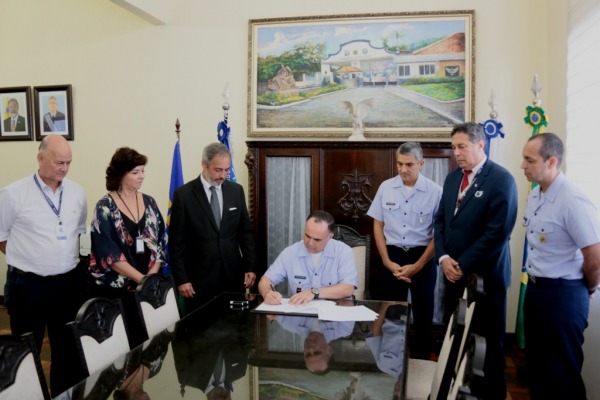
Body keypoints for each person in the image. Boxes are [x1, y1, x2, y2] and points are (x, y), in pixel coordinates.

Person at [433, 122, 518, 399]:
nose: (456, 153)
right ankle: (456, 391)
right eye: (453, 147)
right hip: (452, 276)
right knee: (456, 341)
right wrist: (444, 258)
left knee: (488, 346)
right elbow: (441, 221)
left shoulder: (501, 179)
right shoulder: (452, 178)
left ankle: (491, 395)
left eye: (462, 146)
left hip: (485, 281)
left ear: (480, 144)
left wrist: (461, 265)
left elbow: (496, 234)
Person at [0, 135, 87, 396]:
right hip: (28, 286)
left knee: (65, 351)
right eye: (59, 162)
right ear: (40, 158)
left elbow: (78, 231)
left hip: (66, 284)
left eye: (68, 163)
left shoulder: (77, 192)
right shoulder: (13, 194)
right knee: (26, 354)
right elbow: (1, 236)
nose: (64, 168)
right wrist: (29, 257)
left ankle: (62, 395)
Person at [521, 132, 600, 399]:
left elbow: (596, 257)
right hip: (536, 291)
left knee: (562, 374)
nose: (523, 166)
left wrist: (587, 287)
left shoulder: (573, 200)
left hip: (564, 295)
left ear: (551, 161)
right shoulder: (536, 195)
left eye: (529, 160)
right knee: (538, 369)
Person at [367, 141, 442, 359]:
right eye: (399, 164)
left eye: (409, 164)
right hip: (393, 256)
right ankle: (391, 357)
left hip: (423, 257)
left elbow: (439, 235)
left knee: (423, 312)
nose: (403, 170)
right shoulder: (386, 187)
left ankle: (421, 358)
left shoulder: (435, 191)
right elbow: (378, 226)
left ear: (421, 163)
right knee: (392, 311)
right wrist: (386, 261)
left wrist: (418, 266)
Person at [169, 142, 256, 313]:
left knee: (234, 330)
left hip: (232, 276)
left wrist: (250, 267)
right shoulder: (184, 195)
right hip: (199, 281)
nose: (223, 175)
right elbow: (176, 243)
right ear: (204, 164)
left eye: (226, 170)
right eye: (218, 170)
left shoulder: (236, 191)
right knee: (201, 332)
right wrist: (182, 279)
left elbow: (245, 234)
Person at [89, 147, 166, 298]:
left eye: (143, 171)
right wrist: (142, 280)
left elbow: (162, 241)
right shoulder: (105, 207)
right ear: (120, 175)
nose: (141, 176)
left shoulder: (150, 202)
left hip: (151, 285)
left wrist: (150, 278)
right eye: (135, 172)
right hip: (119, 290)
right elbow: (108, 254)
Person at [258, 210, 357, 305]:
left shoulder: (343, 252)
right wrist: (267, 293)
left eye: (317, 240)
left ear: (330, 237)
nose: (310, 243)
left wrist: (314, 292)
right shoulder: (291, 252)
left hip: (333, 315)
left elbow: (348, 288)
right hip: (300, 315)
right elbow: (266, 280)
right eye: (307, 236)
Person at [271, 315, 354, 374]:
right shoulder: (343, 328)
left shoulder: (290, 324)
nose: (310, 349)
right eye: (317, 352)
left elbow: (273, 305)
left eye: (307, 354)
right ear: (329, 350)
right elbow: (346, 299)